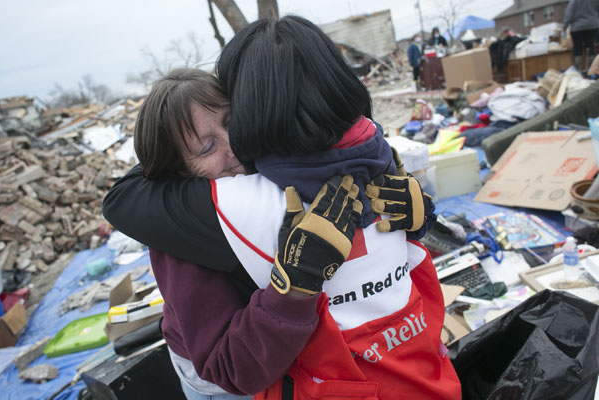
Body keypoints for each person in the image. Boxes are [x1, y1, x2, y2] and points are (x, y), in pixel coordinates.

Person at [104, 16, 456, 400]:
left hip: (290, 361)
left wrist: (418, 216)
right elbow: (228, 369)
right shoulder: (183, 230)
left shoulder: (276, 165)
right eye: (206, 147)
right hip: (223, 386)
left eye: (233, 123)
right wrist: (293, 290)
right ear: (177, 171)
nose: (233, 147)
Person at [563, 0, 599, 72]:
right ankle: (590, 68)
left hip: (577, 27)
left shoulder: (574, 1)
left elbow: (569, 14)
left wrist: (565, 27)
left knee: (577, 47)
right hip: (592, 25)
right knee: (590, 45)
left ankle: (578, 69)